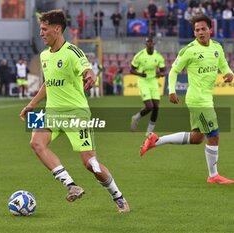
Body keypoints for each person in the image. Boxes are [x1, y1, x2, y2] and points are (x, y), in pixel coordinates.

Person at [19, 9, 130, 213]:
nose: (41, 33)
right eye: (40, 29)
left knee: (91, 164)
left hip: (75, 114)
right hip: (52, 112)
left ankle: (118, 197)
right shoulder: (44, 55)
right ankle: (71, 186)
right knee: (36, 143)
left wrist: (90, 75)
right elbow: (48, 83)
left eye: (44, 29)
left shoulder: (72, 52)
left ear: (57, 29)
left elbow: (86, 68)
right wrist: (32, 104)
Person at [140, 14, 234, 184]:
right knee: (214, 136)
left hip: (206, 98)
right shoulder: (189, 50)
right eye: (196, 30)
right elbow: (174, 71)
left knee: (197, 138)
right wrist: (172, 91)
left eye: (203, 29)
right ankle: (213, 176)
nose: (200, 32)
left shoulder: (217, 47)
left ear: (210, 29)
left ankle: (156, 141)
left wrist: (229, 73)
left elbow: (223, 65)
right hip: (198, 100)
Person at [130, 37, 165, 134]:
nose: (149, 44)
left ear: (154, 43)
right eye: (148, 42)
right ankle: (136, 117)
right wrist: (140, 74)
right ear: (145, 44)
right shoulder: (140, 55)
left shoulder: (158, 56)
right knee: (150, 106)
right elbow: (131, 70)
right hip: (143, 81)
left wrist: (160, 74)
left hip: (153, 81)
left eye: (151, 42)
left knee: (156, 107)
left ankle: (149, 131)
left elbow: (163, 71)